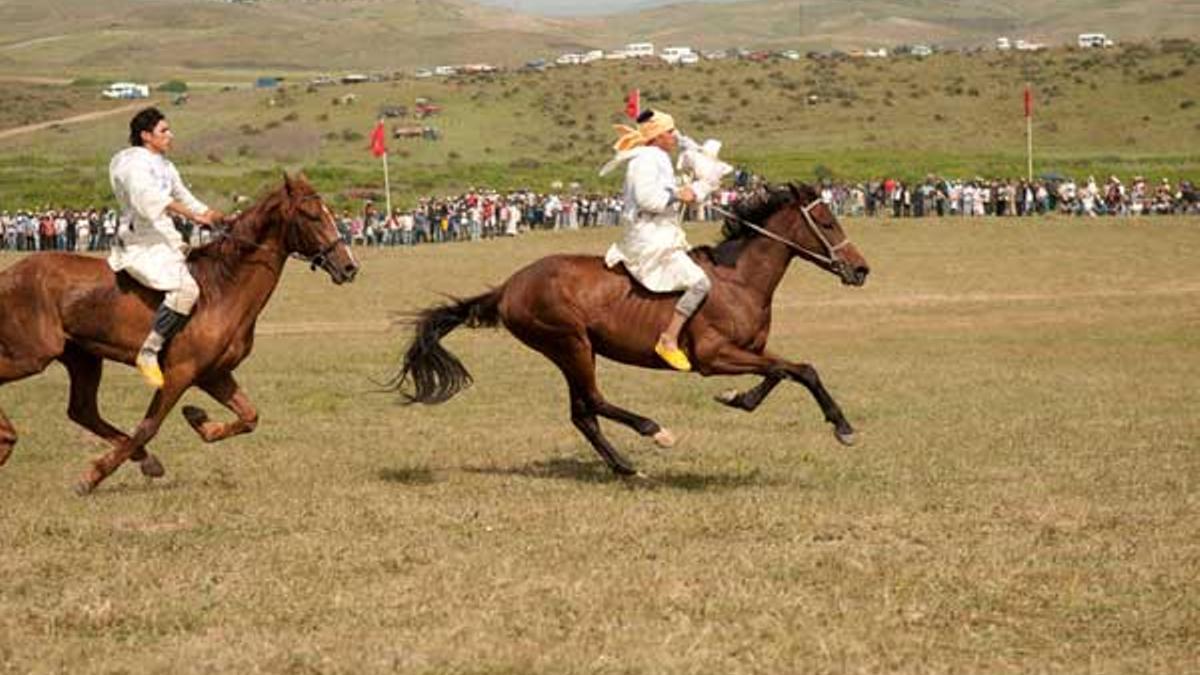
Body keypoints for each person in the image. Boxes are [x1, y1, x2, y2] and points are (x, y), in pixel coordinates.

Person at [108, 106, 222, 388]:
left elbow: (186, 197)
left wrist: (214, 215)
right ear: (146, 136)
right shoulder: (132, 163)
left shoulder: (166, 166)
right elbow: (147, 199)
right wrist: (192, 215)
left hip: (164, 239)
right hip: (138, 242)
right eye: (164, 131)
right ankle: (149, 352)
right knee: (187, 288)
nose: (171, 135)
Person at [601, 109, 721, 372]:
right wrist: (681, 195)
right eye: (669, 131)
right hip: (650, 237)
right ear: (656, 136)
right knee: (699, 283)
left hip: (660, 232)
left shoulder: (656, 157)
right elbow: (648, 199)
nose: (674, 136)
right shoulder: (648, 159)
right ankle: (668, 339)